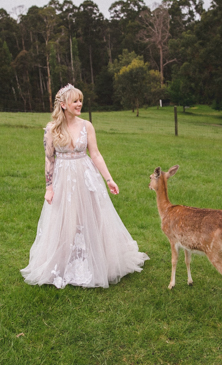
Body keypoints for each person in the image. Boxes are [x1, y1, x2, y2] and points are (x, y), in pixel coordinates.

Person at [20, 84, 149, 288]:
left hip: (86, 175)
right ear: (63, 105)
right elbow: (49, 160)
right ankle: (64, 260)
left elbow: (95, 154)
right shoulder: (51, 129)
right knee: (65, 219)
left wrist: (109, 179)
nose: (79, 104)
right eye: (75, 101)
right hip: (63, 178)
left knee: (92, 216)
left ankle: (96, 258)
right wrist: (49, 187)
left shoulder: (86, 126)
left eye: (81, 100)